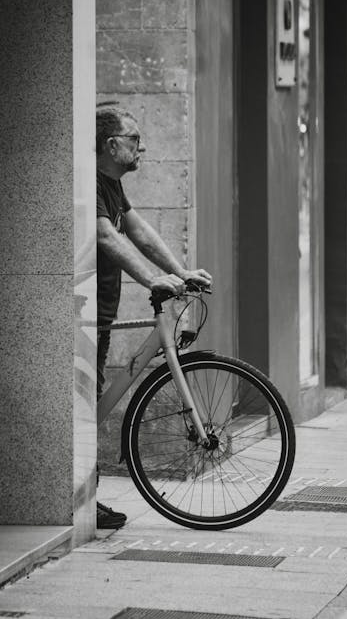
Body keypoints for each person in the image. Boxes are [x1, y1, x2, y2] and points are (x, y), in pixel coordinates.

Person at [95, 103, 212, 528]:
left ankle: (80, 494)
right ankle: (75, 496)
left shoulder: (112, 185)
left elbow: (138, 230)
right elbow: (105, 237)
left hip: (100, 307)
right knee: (84, 403)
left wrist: (179, 272)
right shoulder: (90, 183)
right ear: (111, 145)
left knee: (89, 398)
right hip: (84, 310)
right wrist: (152, 280)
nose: (142, 149)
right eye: (135, 141)